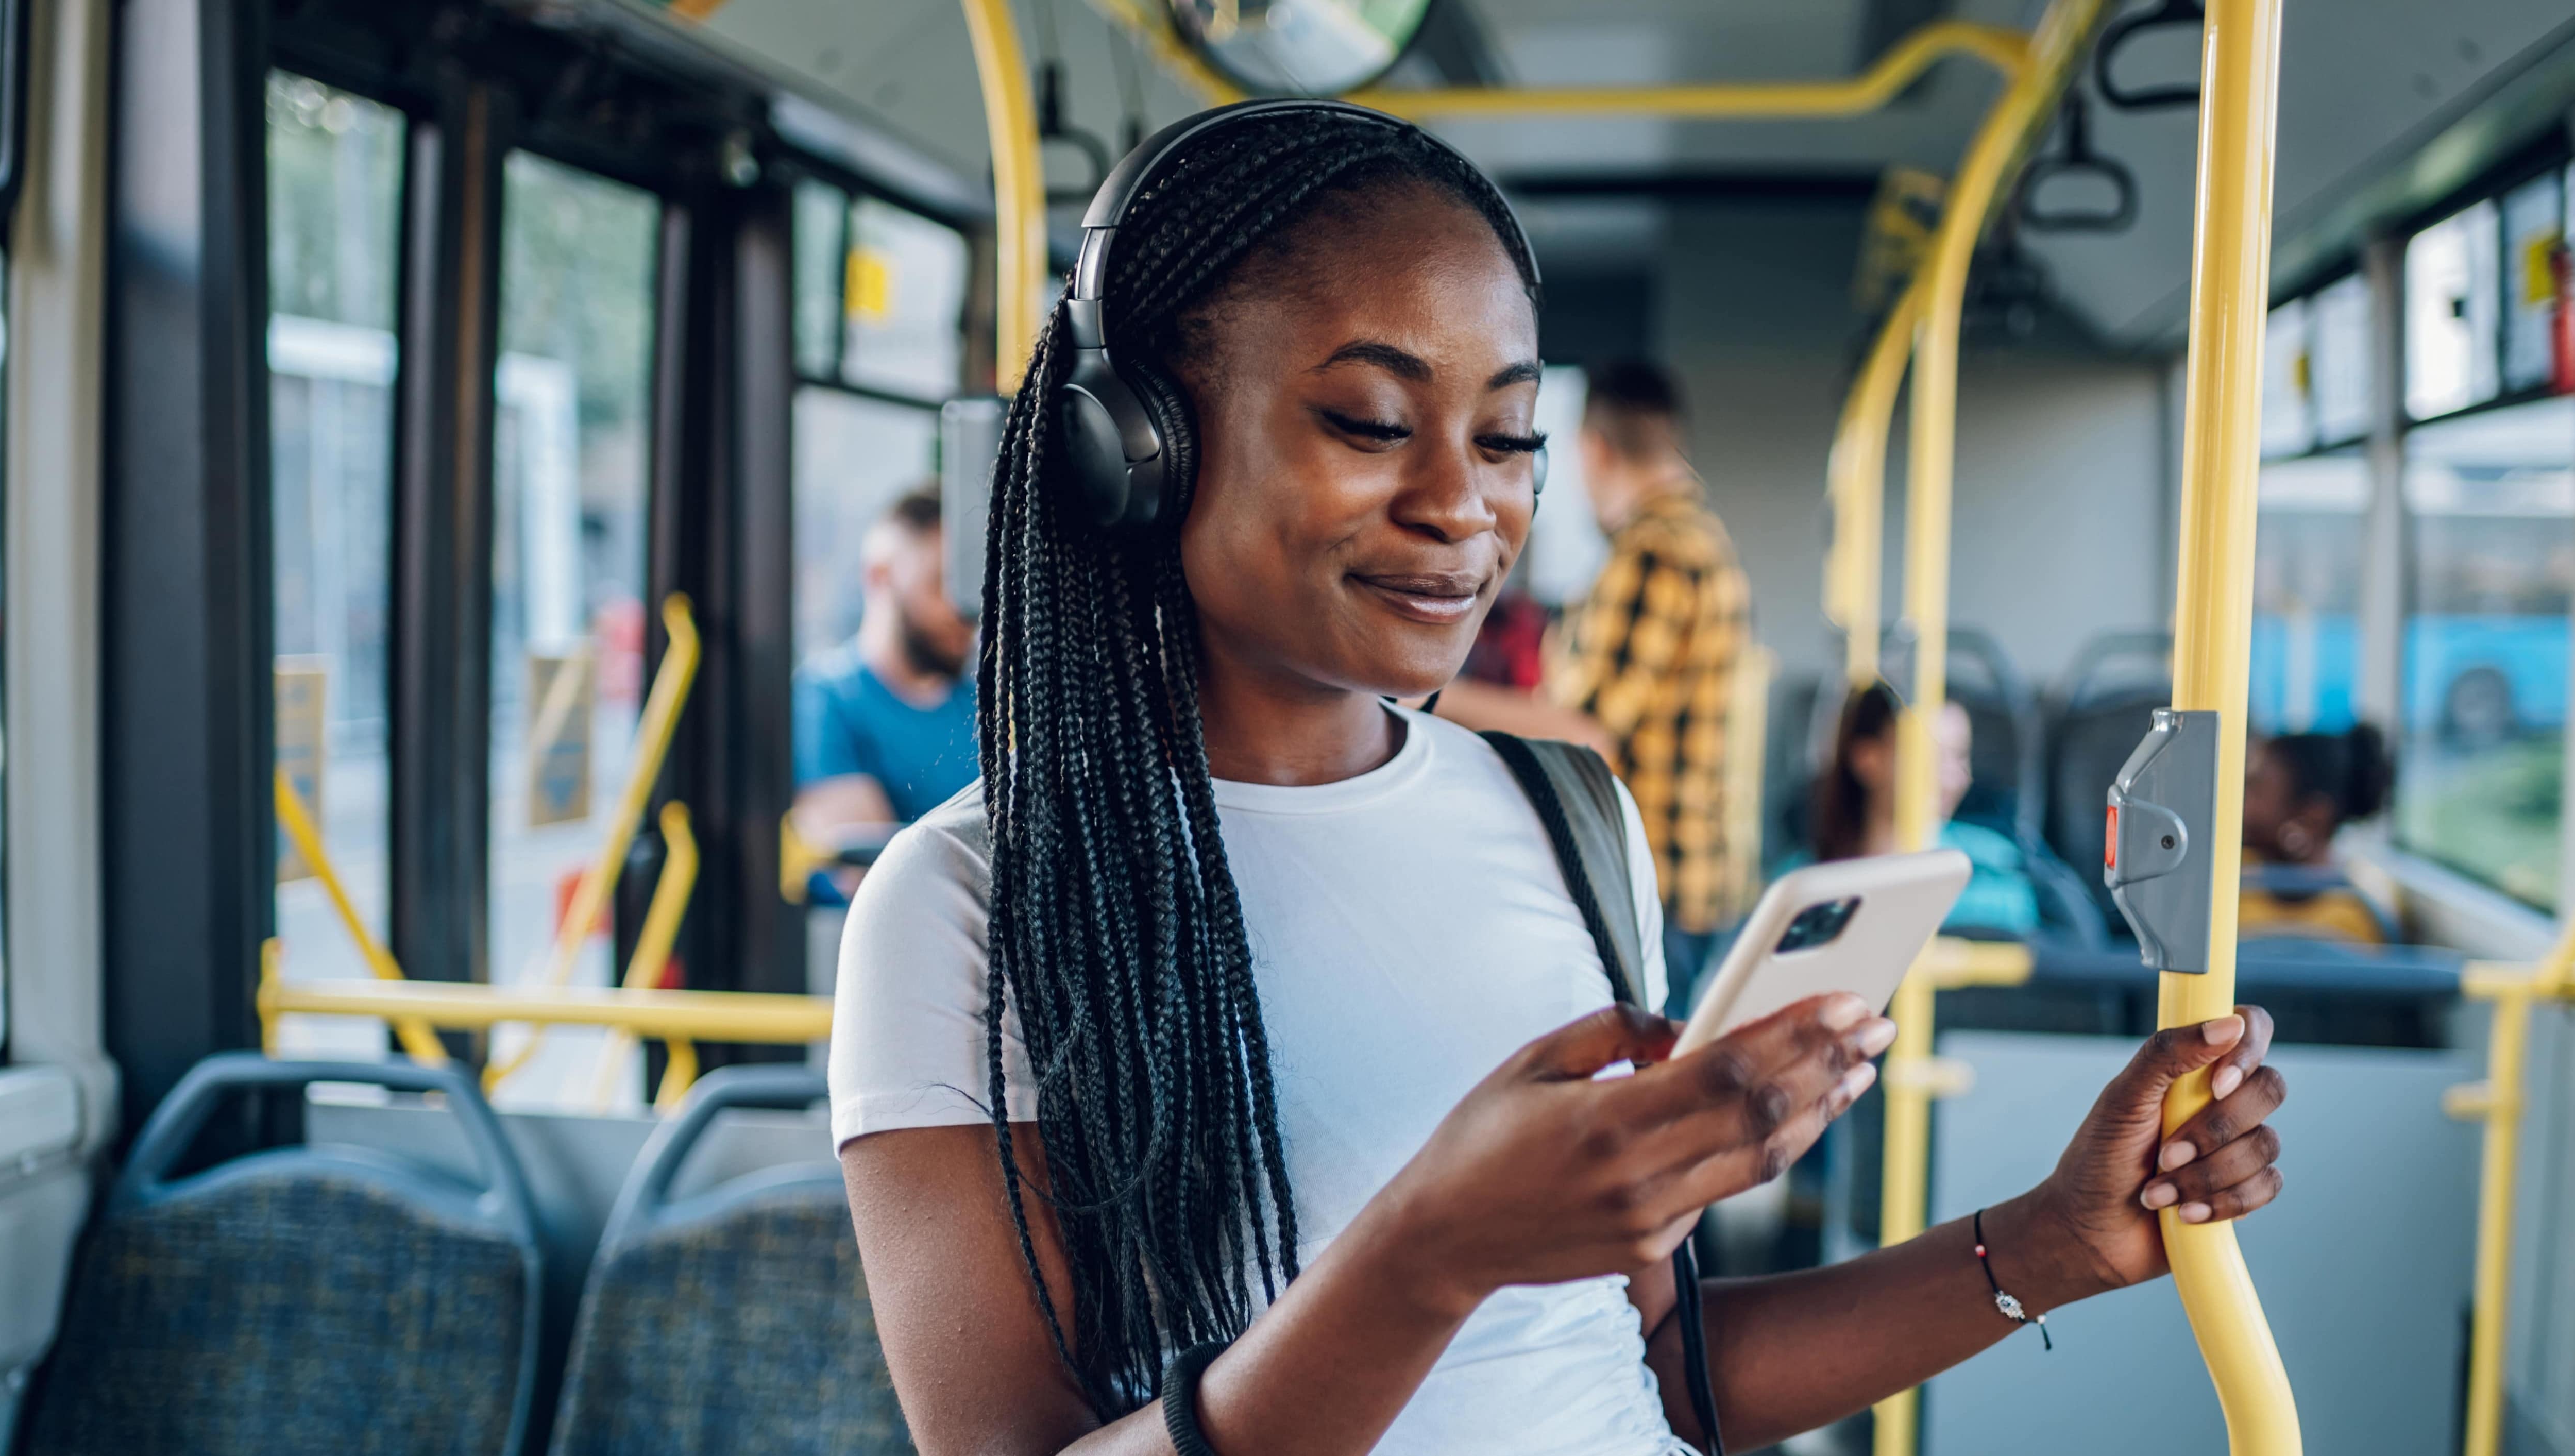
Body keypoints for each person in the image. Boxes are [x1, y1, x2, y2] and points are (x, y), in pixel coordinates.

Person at [832, 102, 2287, 1456]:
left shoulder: (1565, 821)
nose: (1464, 503)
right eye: (1370, 424)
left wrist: (2046, 1244)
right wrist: (1429, 1253)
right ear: (1130, 448)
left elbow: (1652, 1369)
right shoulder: (963, 905)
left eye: (1511, 435)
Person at [1443, 360, 1754, 1000]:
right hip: (1696, 877)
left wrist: (1431, 697)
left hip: (1651, 879)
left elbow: (1586, 735)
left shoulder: (1651, 553)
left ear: (1594, 451)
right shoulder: (1705, 541)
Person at [790, 484, 978, 890]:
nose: (964, 611)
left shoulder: (985, 710)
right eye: (940, 585)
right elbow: (873, 879)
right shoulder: (824, 700)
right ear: (880, 575)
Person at [1792, 682, 2040, 938]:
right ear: (1867, 759)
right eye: (1931, 756)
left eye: (1959, 756)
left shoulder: (2000, 868)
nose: (1953, 778)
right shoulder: (1802, 885)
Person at [2239, 724, 2399, 945]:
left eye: (2255, 790)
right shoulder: (2229, 878)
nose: (2239, 803)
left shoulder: (2362, 913)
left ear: (2311, 819)